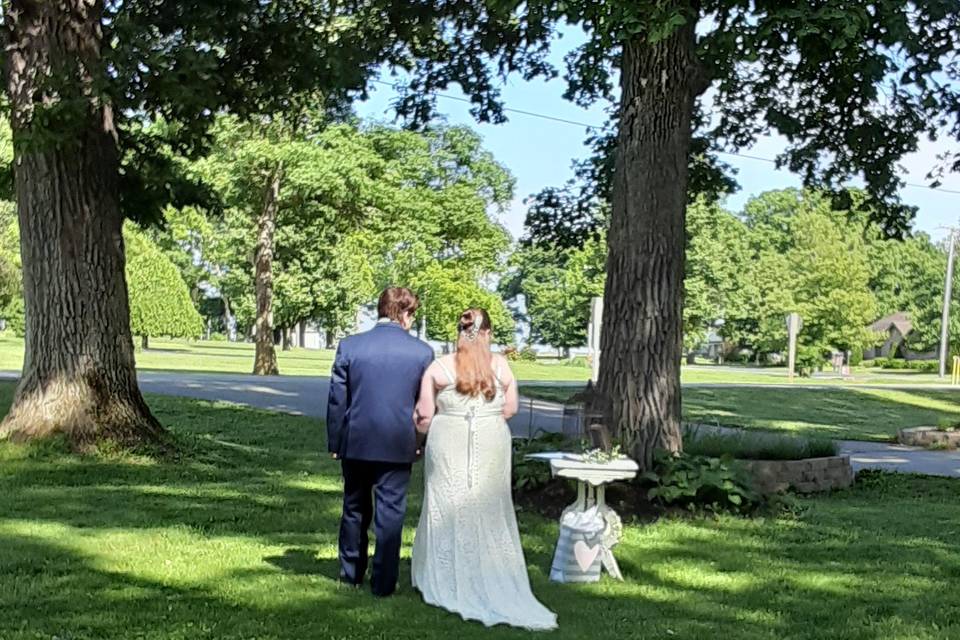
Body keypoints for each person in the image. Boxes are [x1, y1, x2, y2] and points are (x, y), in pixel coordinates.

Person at [411, 308, 557, 631]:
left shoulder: (439, 368)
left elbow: (423, 415)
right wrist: (484, 418)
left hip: (448, 438)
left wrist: (420, 435)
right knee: (489, 502)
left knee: (447, 499)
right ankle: (490, 568)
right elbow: (511, 408)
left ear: (459, 334)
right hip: (492, 439)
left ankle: (447, 571)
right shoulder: (501, 366)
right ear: (487, 333)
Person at [326, 287, 434, 597]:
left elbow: (337, 400)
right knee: (391, 514)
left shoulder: (350, 346)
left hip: (357, 441)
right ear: (405, 314)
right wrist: (419, 441)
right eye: (412, 315)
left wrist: (336, 441)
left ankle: (350, 574)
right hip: (398, 443)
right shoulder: (422, 353)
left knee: (354, 508)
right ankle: (384, 582)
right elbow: (423, 405)